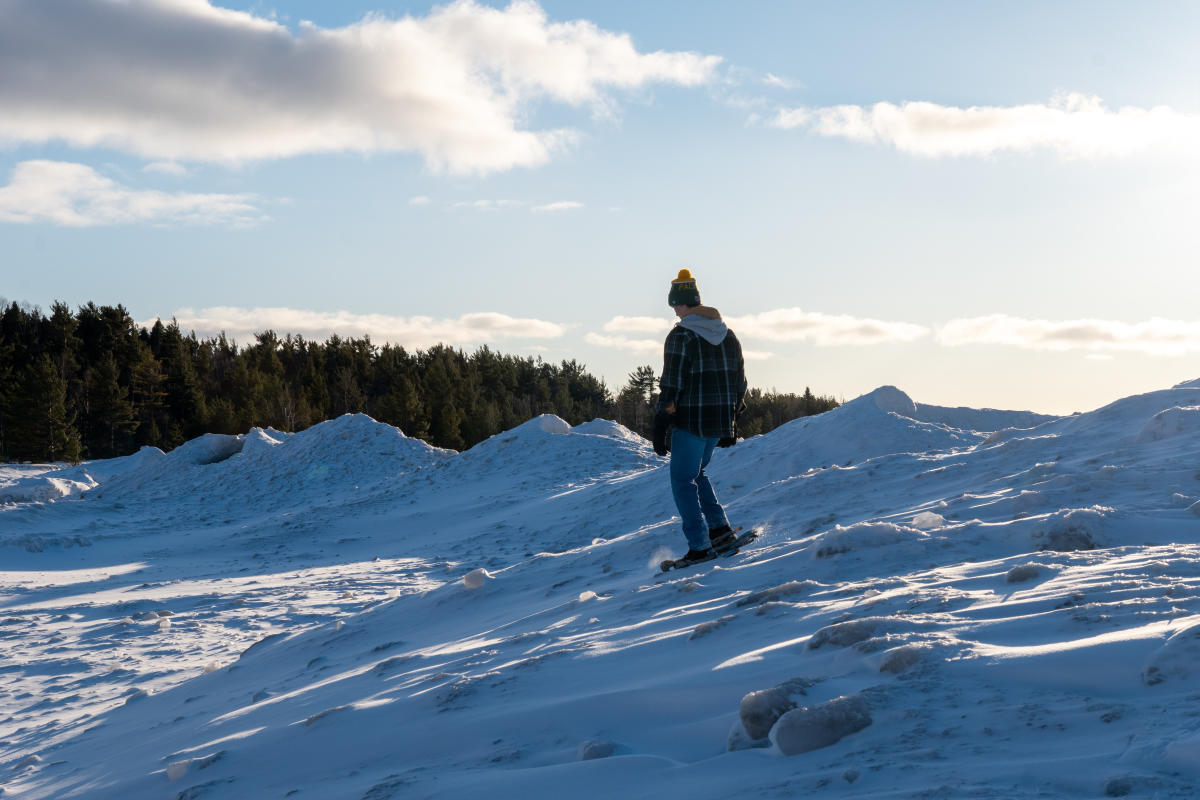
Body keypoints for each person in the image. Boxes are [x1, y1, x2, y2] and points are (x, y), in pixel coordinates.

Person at [653, 268, 747, 566]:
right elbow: (740, 383)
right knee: (698, 473)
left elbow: (672, 385)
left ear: (682, 304)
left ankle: (699, 545)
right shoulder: (728, 335)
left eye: (675, 305)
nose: (675, 312)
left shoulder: (681, 336)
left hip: (692, 421)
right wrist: (732, 421)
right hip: (718, 422)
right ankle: (720, 531)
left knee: (682, 480)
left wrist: (661, 422)